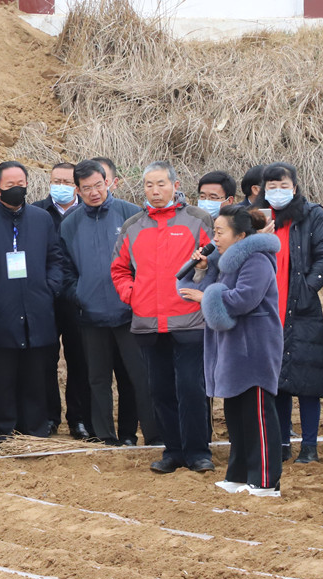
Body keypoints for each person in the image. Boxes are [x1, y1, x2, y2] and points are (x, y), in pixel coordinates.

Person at [111, 161, 214, 474]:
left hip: (190, 320)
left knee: (191, 388)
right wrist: (133, 295)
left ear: (175, 184)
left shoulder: (198, 219)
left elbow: (214, 261)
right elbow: (119, 269)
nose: (154, 191)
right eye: (148, 185)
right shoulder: (133, 226)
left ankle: (198, 452)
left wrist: (202, 285)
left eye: (161, 184)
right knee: (160, 390)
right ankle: (172, 451)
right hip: (148, 323)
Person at [179, 206, 283, 496]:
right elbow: (201, 292)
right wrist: (201, 272)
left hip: (255, 347)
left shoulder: (258, 259)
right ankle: (238, 475)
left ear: (240, 235)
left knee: (258, 414)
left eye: (220, 232)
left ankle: (265, 480)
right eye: (215, 231)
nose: (215, 237)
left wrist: (207, 295)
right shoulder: (226, 262)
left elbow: (243, 299)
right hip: (232, 348)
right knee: (236, 414)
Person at [0, 161, 64, 445]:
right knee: (0, 379)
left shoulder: (42, 219)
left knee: (35, 377)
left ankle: (34, 433)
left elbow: (55, 259)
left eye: (21, 183)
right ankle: (0, 436)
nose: (17, 189)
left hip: (36, 312)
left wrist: (49, 289)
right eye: (10, 185)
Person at [61, 160, 158, 447]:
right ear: (77, 190)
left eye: (98, 185)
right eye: (86, 188)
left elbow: (150, 262)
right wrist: (78, 295)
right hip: (90, 315)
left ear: (109, 183)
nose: (94, 192)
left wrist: (137, 295)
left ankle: (154, 434)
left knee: (141, 378)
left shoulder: (131, 215)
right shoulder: (70, 224)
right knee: (97, 380)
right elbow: (65, 269)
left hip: (130, 313)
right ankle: (105, 436)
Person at [255, 162, 323, 464]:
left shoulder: (312, 214)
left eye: (283, 186)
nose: (277, 192)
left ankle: (310, 446)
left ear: (295, 188)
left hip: (302, 308)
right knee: (278, 382)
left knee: (308, 380)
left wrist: (308, 288)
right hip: (267, 309)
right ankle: (283, 443)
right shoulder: (258, 216)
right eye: (271, 187)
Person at [31, 162, 90, 438]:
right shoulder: (35, 212)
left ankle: (78, 418)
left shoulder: (88, 212)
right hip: (45, 298)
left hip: (77, 297)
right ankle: (49, 416)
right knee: (45, 359)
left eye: (67, 182)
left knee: (80, 359)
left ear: (77, 186)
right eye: (56, 181)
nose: (61, 186)